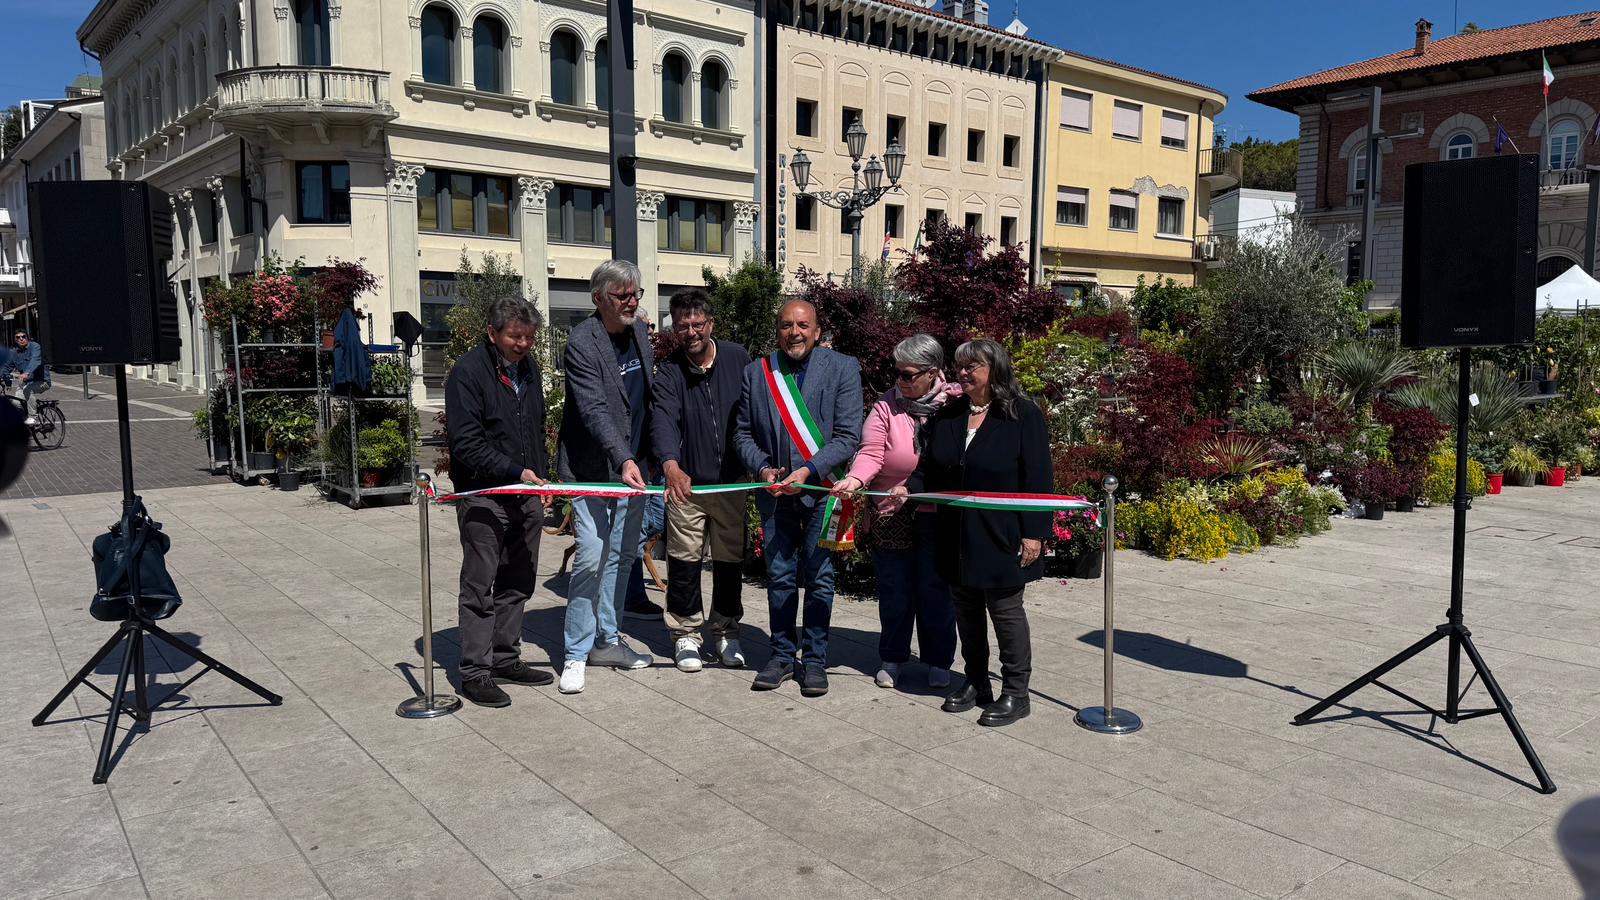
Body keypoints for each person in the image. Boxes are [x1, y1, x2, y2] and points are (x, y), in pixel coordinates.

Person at [898, 339, 1050, 727]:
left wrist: (1034, 533)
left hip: (1002, 534)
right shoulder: (949, 415)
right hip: (956, 534)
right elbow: (928, 470)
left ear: (994, 369)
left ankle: (1016, 692)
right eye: (960, 366)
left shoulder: (1022, 415)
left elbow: (1038, 478)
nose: (963, 373)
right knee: (965, 612)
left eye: (972, 366)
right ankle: (977, 681)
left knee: (1005, 613)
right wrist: (908, 489)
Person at [734, 300, 862, 696]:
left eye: (803, 325)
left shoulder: (843, 368)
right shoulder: (757, 373)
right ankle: (781, 655)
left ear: (817, 331)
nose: (795, 332)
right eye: (787, 325)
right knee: (779, 576)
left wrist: (807, 471)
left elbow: (848, 436)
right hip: (776, 492)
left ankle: (816, 659)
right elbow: (742, 433)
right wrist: (763, 469)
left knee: (820, 578)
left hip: (824, 490)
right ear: (778, 330)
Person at [444, 297, 556, 708]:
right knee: (480, 585)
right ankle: (475, 671)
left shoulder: (530, 369)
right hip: (484, 496)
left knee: (518, 581)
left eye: (529, 337)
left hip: (525, 494)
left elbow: (536, 429)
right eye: (515, 336)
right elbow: (466, 443)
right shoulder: (468, 374)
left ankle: (506, 658)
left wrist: (540, 476)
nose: (523, 344)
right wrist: (514, 470)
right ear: (492, 334)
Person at [832, 334, 959, 691]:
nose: (899, 380)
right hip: (890, 512)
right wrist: (856, 479)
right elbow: (871, 452)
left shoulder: (955, 405)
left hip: (938, 513)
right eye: (897, 372)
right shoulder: (886, 406)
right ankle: (892, 657)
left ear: (932, 373)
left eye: (908, 374)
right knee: (894, 591)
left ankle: (938, 659)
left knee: (937, 591)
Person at [555, 260, 655, 694]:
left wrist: (654, 456)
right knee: (592, 556)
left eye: (636, 294)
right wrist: (622, 458)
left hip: (636, 469)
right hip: (593, 468)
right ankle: (575, 653)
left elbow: (647, 399)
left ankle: (608, 641)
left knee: (622, 556)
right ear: (598, 298)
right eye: (622, 296)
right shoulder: (581, 342)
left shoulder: (639, 334)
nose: (631, 302)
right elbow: (594, 408)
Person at [652, 288, 753, 673]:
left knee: (729, 563)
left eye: (697, 324)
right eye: (683, 326)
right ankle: (685, 634)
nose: (691, 332)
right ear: (674, 328)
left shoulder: (738, 358)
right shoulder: (669, 371)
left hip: (731, 484)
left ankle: (726, 631)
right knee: (683, 563)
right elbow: (663, 419)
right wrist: (671, 465)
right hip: (687, 486)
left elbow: (754, 412)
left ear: (711, 324)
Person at [4, 330, 50, 426]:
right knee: (15, 403)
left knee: (28, 390)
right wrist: (6, 380)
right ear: (15, 340)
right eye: (18, 337)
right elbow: (6, 367)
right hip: (25, 383)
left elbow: (35, 360)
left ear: (27, 338)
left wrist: (26, 373)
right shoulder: (14, 352)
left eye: (23, 336)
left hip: (42, 381)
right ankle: (26, 420)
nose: (21, 339)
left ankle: (33, 417)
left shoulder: (35, 347)